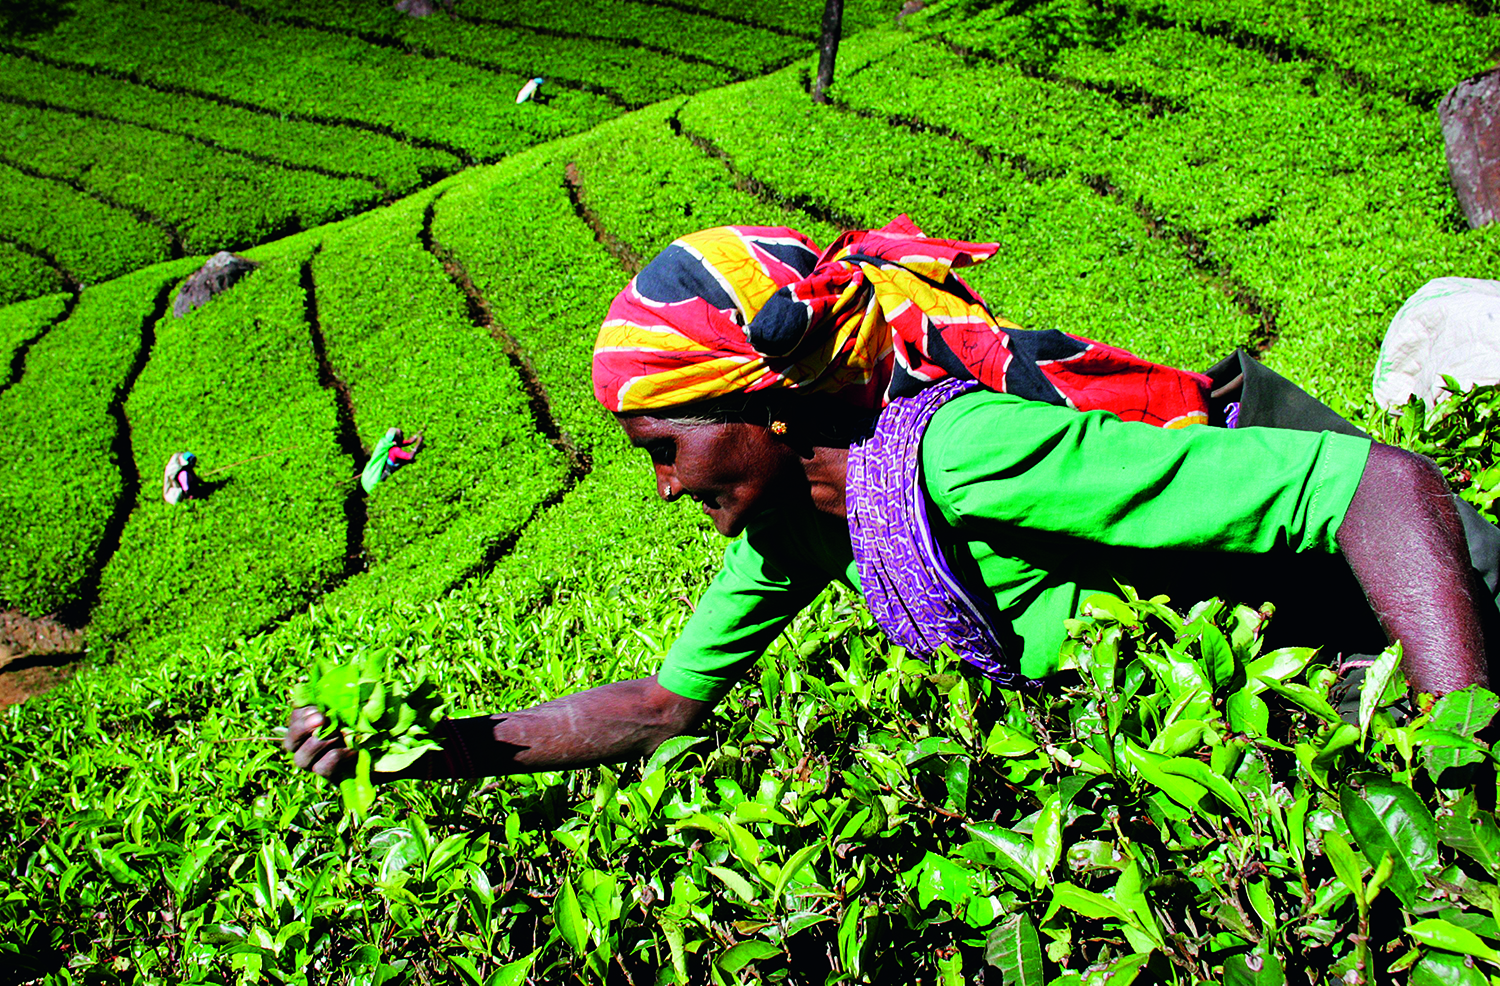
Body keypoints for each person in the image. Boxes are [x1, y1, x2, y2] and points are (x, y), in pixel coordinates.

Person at [286, 217, 1496, 783]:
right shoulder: (809, 523)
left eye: (665, 444)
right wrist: (421, 750)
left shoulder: (960, 455)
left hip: (1419, 632)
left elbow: (1380, 485)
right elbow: (660, 705)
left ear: (763, 407)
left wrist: (1457, 753)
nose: (661, 487)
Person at [360, 427, 423, 494]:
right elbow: (410, 457)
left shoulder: (386, 442)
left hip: (365, 476)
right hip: (375, 480)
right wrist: (417, 445)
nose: (403, 435)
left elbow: (409, 441)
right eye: (401, 434)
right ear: (395, 440)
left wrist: (418, 434)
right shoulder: (395, 450)